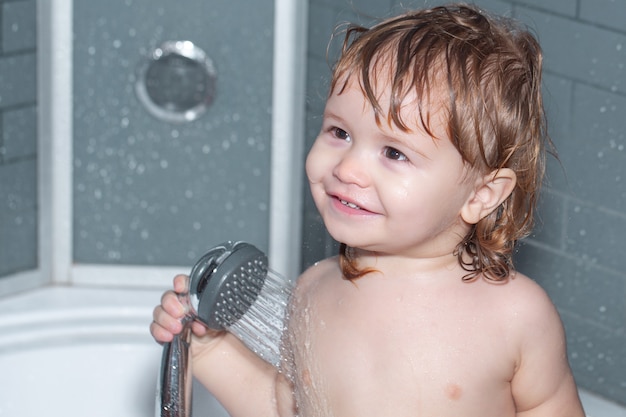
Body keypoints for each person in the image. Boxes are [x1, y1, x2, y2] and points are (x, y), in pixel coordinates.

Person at [151, 4, 586, 416]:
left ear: (481, 195)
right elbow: (286, 408)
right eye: (339, 131)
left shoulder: (516, 316)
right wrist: (209, 350)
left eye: (395, 153)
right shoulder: (314, 290)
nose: (348, 168)